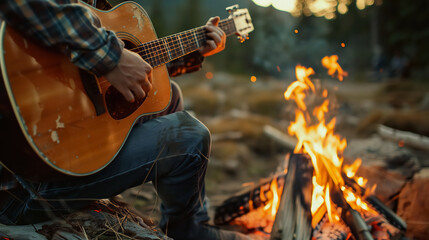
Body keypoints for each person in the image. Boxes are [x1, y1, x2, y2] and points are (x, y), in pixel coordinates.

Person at [0, 0, 250, 239]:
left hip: (48, 159)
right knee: (190, 136)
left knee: (169, 95)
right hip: (26, 186)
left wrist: (196, 47)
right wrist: (112, 57)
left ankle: (190, 218)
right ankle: (189, 232)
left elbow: (120, 71)